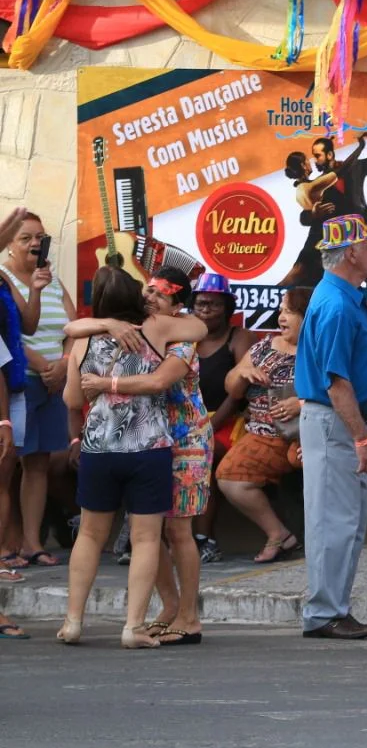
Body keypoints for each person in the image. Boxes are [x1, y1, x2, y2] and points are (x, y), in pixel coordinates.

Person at [71, 268, 213, 647]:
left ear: (176, 306)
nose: (149, 298)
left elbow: (156, 382)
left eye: (159, 295)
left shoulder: (178, 334)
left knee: (178, 531)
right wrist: (108, 323)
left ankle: (189, 617)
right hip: (150, 441)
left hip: (186, 441)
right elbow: (72, 328)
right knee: (149, 532)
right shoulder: (142, 327)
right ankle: (168, 608)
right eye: (146, 291)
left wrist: (106, 384)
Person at [295, 215, 367, 640]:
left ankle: (331, 608)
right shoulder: (335, 303)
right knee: (335, 520)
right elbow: (337, 383)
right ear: (351, 252)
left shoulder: (342, 295)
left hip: (336, 423)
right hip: (333, 423)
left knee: (344, 519)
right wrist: (362, 437)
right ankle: (325, 612)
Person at [217, 288, 312, 563]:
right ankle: (279, 534)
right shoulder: (263, 346)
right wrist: (241, 374)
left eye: (290, 312)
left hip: (307, 434)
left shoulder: (319, 349)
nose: (282, 317)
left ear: (308, 316)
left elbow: (338, 392)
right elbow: (232, 390)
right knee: (229, 478)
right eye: (281, 310)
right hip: (262, 433)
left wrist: (301, 404)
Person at [0, 211, 73, 567]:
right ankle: (7, 543)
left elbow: (73, 330)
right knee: (8, 465)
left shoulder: (53, 280)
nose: (34, 244)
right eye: (25, 237)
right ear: (9, 245)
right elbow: (13, 334)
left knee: (39, 463)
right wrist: (44, 366)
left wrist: (63, 365)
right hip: (19, 381)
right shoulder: (4, 277)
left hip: (54, 383)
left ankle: (32, 542)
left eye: (40, 238)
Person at [188, 272, 255, 565]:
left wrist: (209, 427)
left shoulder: (239, 337)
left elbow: (239, 391)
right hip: (189, 421)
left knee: (204, 455)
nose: (205, 310)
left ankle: (205, 540)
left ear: (227, 308)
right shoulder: (184, 339)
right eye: (201, 304)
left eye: (213, 305)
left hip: (227, 424)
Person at [282, 132, 367, 287]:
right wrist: (313, 215)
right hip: (334, 240)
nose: (314, 161)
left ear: (329, 154)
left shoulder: (356, 167)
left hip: (360, 231)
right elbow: (304, 217)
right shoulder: (318, 183)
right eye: (312, 157)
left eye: (317, 156)